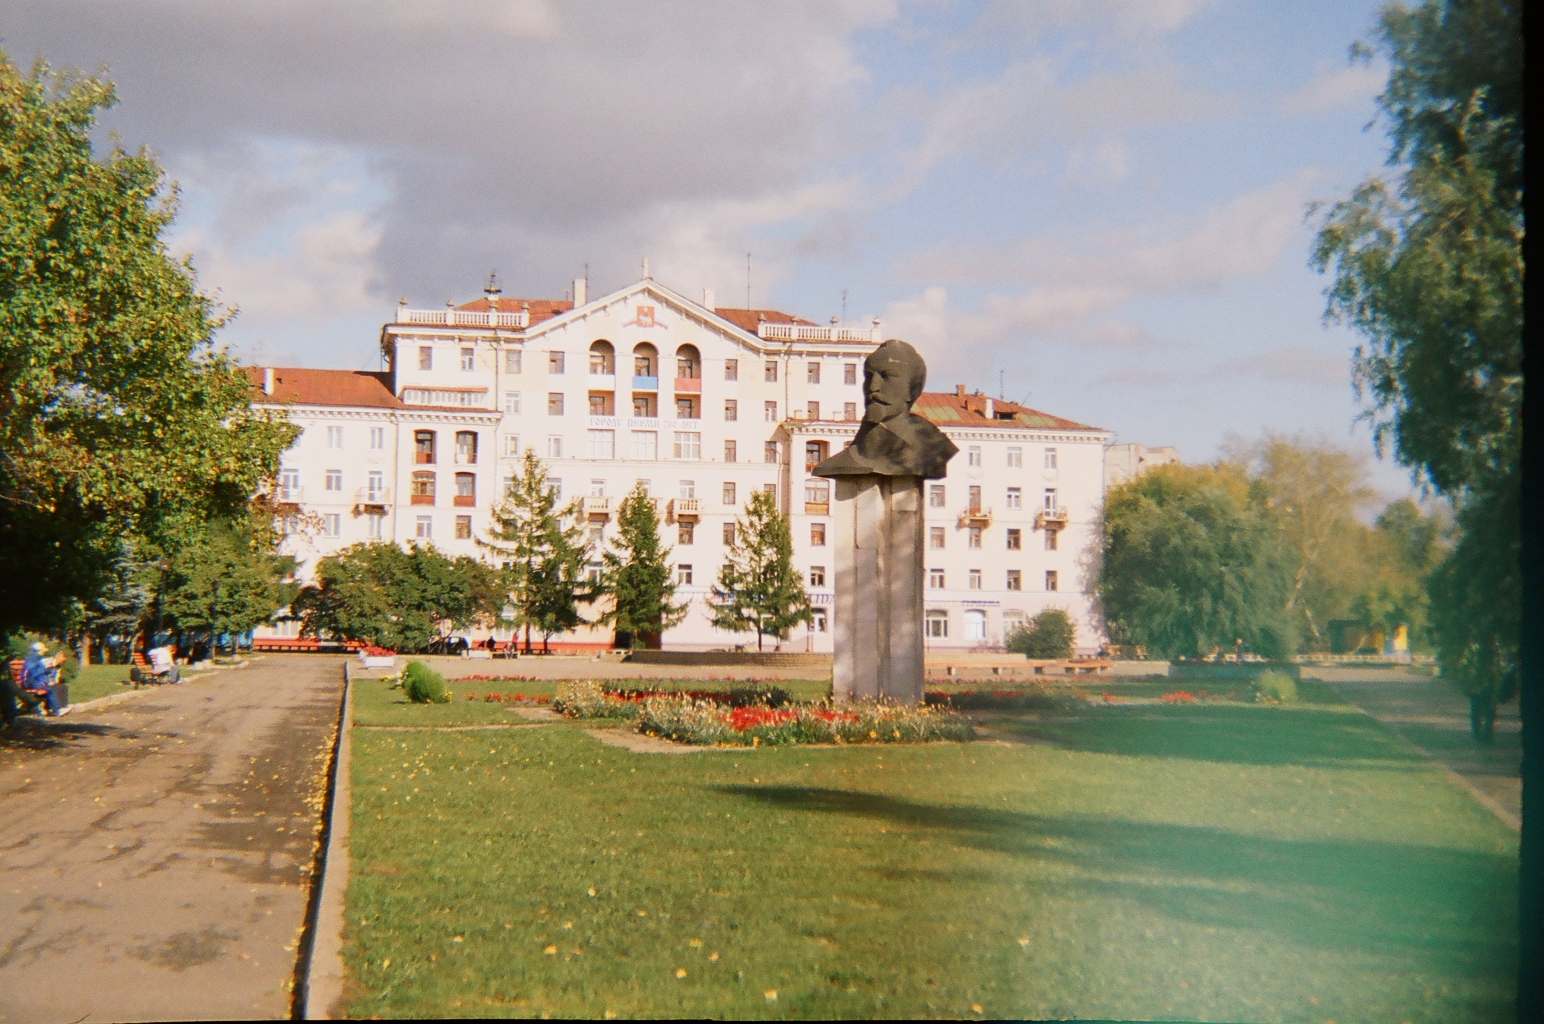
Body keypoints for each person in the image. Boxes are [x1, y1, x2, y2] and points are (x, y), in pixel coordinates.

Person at [812, 338, 958, 479]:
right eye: (868, 377)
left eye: (887, 377)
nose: (873, 387)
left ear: (914, 389)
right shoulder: (847, 456)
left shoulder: (932, 448)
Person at [23, 641, 70, 716]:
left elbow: (40, 673)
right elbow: (32, 673)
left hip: (35, 681)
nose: (44, 652)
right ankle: (57, 710)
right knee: (50, 689)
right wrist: (45, 670)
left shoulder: (35, 658)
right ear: (39, 650)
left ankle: (58, 708)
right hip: (31, 682)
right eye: (43, 651)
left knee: (58, 687)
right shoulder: (33, 659)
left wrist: (46, 673)